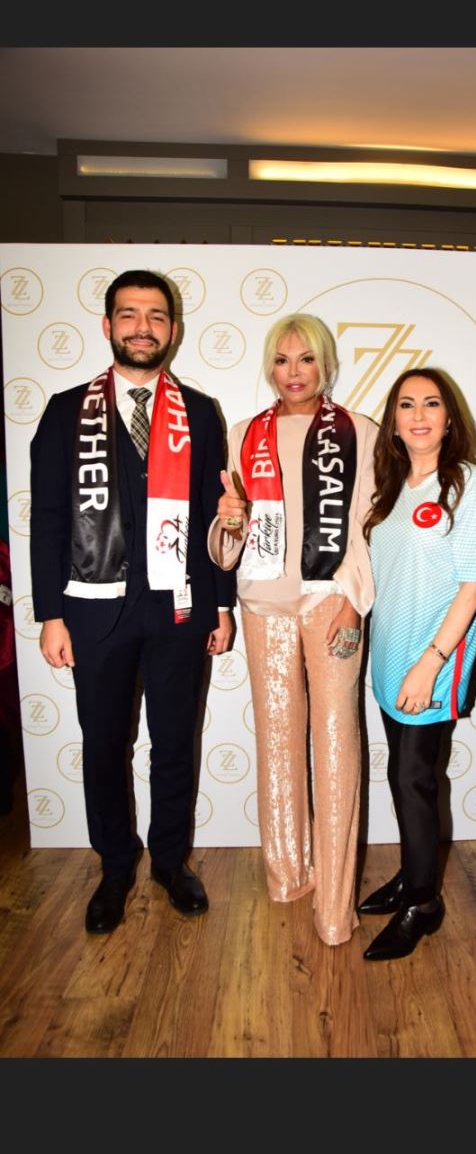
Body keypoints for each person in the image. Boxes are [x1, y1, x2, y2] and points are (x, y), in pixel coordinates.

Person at [30, 269, 235, 935]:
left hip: (180, 607)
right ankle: (115, 866)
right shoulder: (66, 411)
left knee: (175, 741)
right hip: (93, 610)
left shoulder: (200, 411)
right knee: (104, 744)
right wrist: (51, 613)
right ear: (108, 325)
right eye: (129, 314)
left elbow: (214, 515)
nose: (142, 328)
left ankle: (170, 861)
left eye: (155, 316)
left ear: (173, 329)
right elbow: (49, 517)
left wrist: (222, 605)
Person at [209, 313, 377, 946]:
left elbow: (369, 526)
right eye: (281, 360)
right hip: (263, 605)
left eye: (306, 359)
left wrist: (354, 600)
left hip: (332, 601)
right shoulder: (243, 434)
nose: (294, 372)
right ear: (269, 368)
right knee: (278, 744)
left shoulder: (360, 432)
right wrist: (228, 519)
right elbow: (227, 548)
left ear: (326, 365)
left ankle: (334, 907)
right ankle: (287, 875)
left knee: (336, 746)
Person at [357, 367, 476, 961]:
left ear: (449, 417)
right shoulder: (391, 487)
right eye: (406, 404)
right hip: (391, 654)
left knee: (414, 777)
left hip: (434, 657)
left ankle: (423, 903)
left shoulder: (464, 481)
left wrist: (431, 663)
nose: (418, 415)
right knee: (402, 775)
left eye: (431, 403)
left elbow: (473, 585)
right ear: (393, 421)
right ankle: (413, 875)